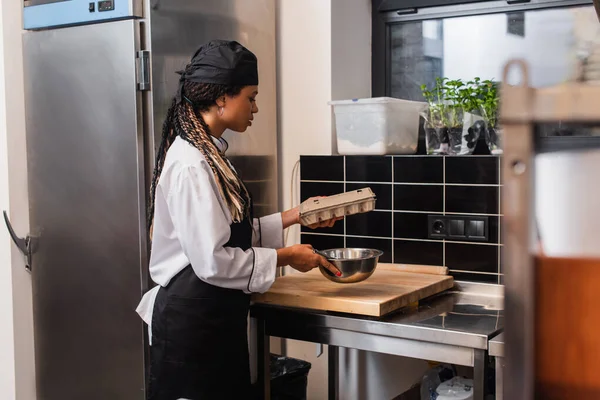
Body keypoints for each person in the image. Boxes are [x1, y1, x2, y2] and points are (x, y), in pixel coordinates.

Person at [135, 40, 342, 400]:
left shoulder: (210, 154)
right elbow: (213, 260)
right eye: (251, 97)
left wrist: (298, 214)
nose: (256, 107)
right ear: (221, 98)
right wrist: (287, 257)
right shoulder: (191, 164)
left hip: (212, 320)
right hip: (191, 327)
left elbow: (230, 235)